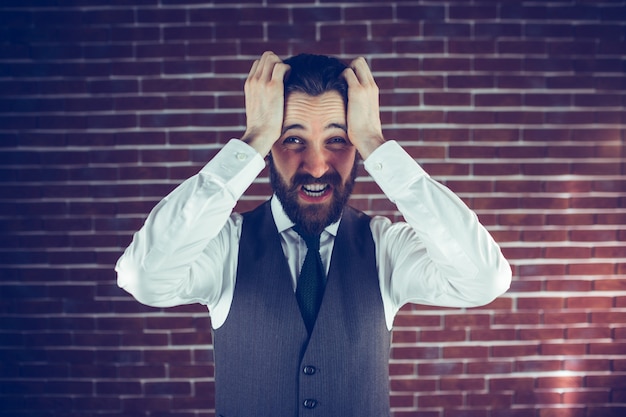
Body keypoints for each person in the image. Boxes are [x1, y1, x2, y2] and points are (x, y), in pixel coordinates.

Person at [115, 51, 511, 417]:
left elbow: (483, 279)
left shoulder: (385, 246)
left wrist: (377, 142)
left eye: (337, 139)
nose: (318, 166)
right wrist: (252, 138)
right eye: (293, 139)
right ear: (269, 148)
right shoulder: (226, 246)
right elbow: (144, 277)